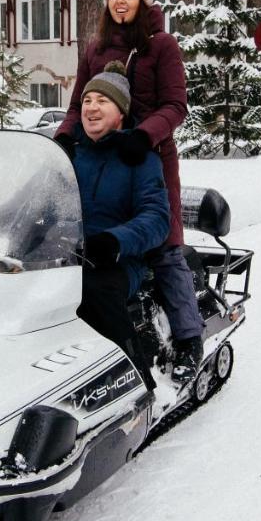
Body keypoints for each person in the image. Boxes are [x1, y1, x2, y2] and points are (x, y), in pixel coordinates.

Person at [54, 0, 205, 379]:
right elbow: (77, 106)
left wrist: (142, 136)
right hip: (99, 149)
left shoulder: (162, 45)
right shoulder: (96, 48)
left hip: (148, 153)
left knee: (166, 249)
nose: (120, 1)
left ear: (143, 1)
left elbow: (175, 105)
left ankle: (189, 339)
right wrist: (65, 138)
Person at [70, 63, 170, 390]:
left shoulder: (140, 159)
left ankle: (138, 382)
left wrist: (114, 241)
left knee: (94, 291)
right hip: (66, 256)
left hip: (118, 261)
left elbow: (156, 218)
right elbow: (34, 199)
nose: (92, 107)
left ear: (121, 113)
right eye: (87, 100)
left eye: (102, 101)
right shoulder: (69, 154)